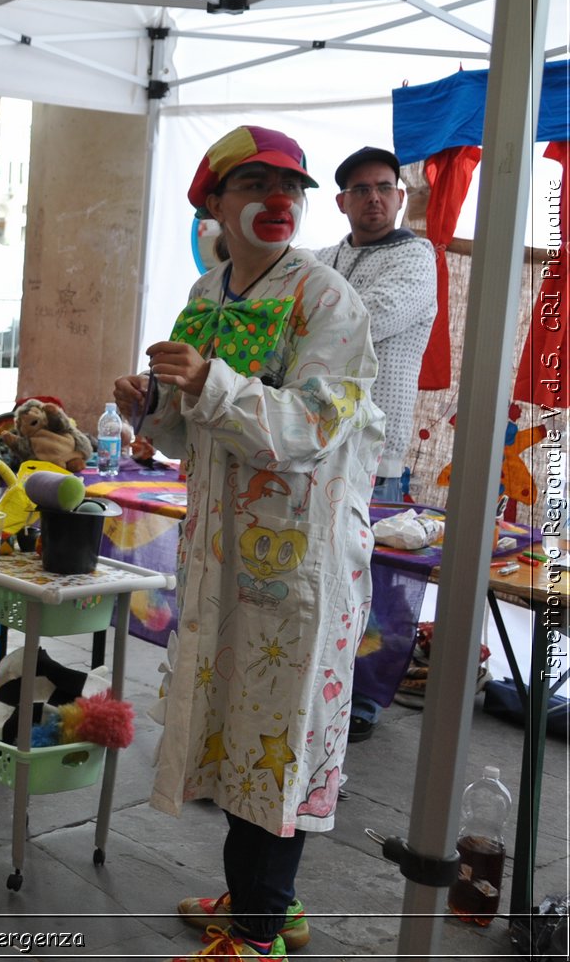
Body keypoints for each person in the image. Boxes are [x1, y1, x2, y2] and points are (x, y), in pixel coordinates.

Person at [114, 126, 384, 961]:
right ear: (215, 205)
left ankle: (258, 930)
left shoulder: (327, 298)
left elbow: (311, 424)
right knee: (236, 729)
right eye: (256, 184)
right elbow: (191, 429)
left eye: (291, 187)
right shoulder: (206, 294)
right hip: (220, 557)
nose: (279, 200)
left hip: (298, 563)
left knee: (279, 733)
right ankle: (267, 900)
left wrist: (212, 381)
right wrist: (149, 406)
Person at [316, 146, 437, 744]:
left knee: (375, 581)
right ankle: (324, 684)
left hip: (377, 449)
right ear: (341, 201)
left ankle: (361, 702)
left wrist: (302, 317)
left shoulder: (417, 258)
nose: (373, 198)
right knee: (330, 570)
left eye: (384, 187)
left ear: (400, 196)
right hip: (319, 442)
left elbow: (362, 320)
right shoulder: (326, 257)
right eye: (360, 189)